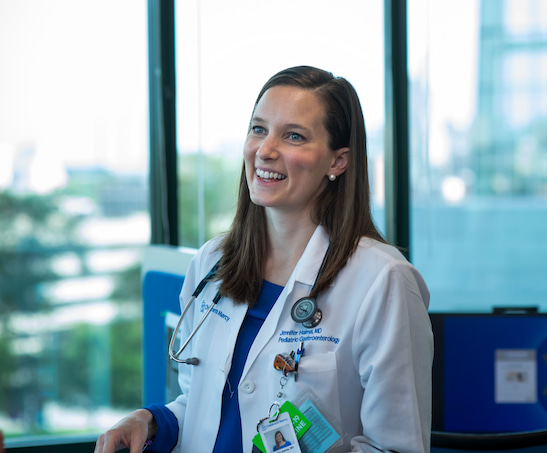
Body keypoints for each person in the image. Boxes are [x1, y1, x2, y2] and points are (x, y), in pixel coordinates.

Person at [95, 65, 433, 453]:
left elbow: (397, 446)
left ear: (338, 162)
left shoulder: (383, 280)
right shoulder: (211, 264)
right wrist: (154, 421)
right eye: (258, 129)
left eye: (293, 136)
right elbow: (203, 406)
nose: (266, 150)